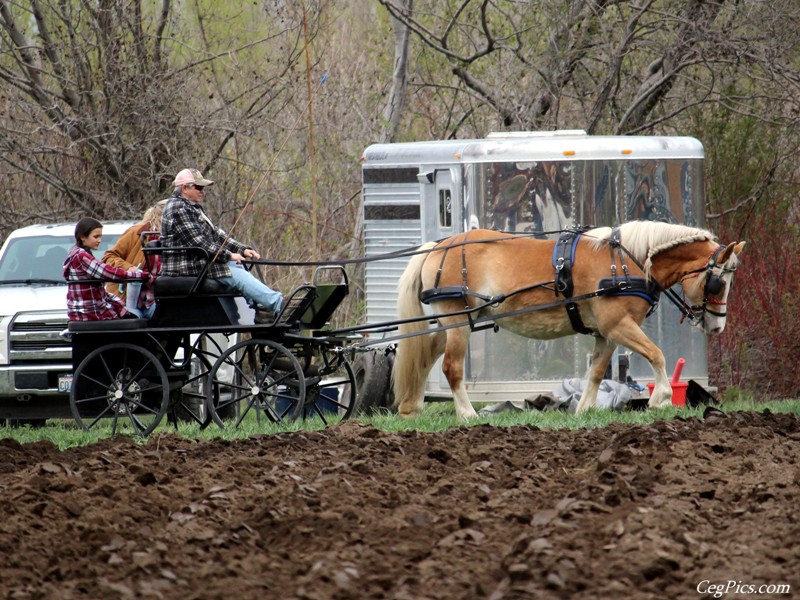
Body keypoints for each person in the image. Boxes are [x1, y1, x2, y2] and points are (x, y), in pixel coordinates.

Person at [160, 168, 283, 321]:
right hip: (184, 266)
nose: (202, 191)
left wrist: (242, 249)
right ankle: (279, 304)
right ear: (185, 188)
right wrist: (229, 255)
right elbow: (199, 243)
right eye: (198, 187)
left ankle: (264, 309)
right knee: (233, 272)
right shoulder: (178, 209)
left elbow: (216, 234)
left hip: (196, 262)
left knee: (237, 267)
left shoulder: (190, 207)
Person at [63, 217, 152, 321]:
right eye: (96, 237)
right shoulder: (81, 256)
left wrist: (120, 307)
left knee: (131, 316)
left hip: (89, 310)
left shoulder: (80, 255)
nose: (99, 240)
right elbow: (107, 272)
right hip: (89, 312)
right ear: (83, 237)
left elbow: (102, 292)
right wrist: (140, 275)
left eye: (100, 236)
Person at [102, 199, 168, 318]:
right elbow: (108, 257)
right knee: (133, 321)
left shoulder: (173, 240)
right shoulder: (136, 233)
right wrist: (129, 269)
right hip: (127, 299)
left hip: (155, 301)